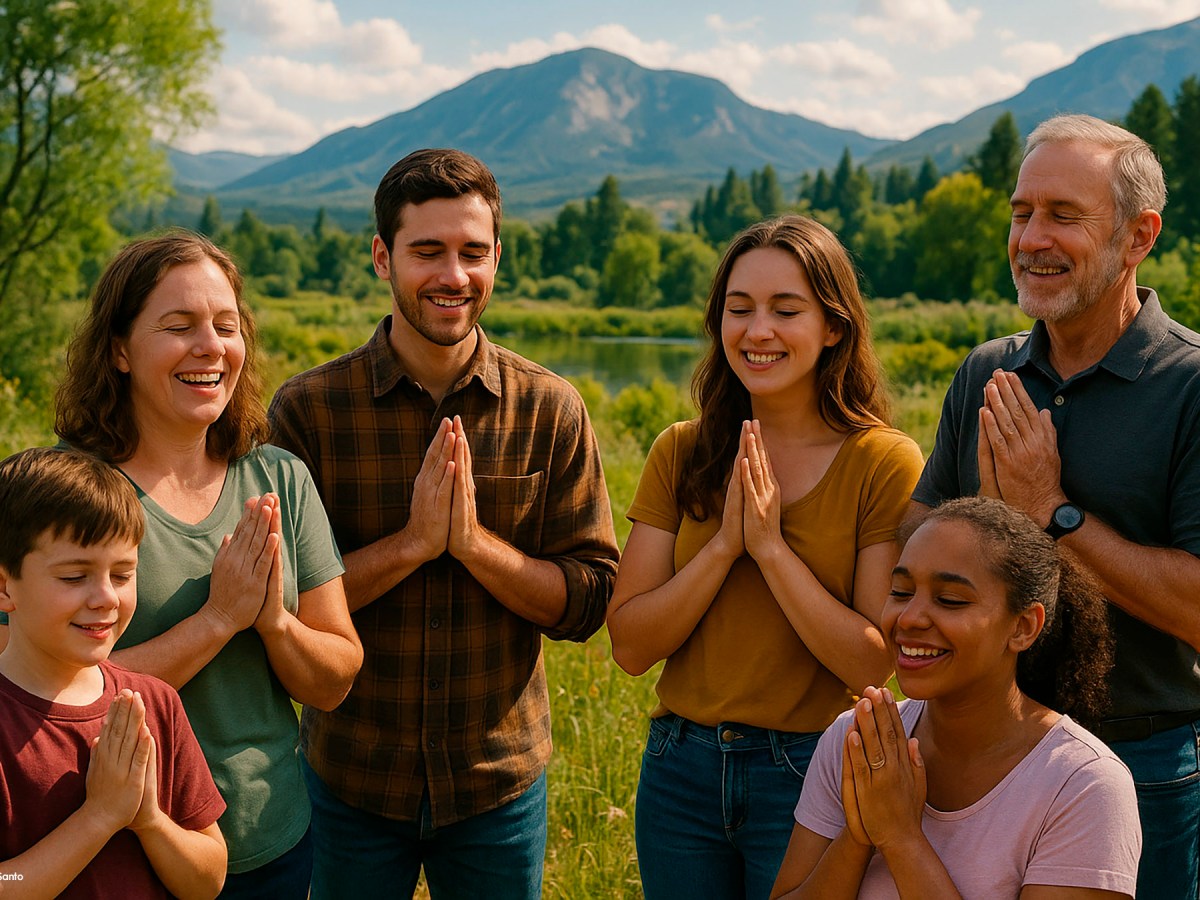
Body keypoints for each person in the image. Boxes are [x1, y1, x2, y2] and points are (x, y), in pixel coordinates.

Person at [267, 147, 619, 900]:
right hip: (349, 782)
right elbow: (278, 606)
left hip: (497, 787)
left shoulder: (550, 409)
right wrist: (410, 548)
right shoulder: (309, 413)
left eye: (473, 252)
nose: (452, 276)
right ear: (381, 257)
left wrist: (474, 548)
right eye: (427, 251)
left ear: (498, 260)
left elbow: (590, 599)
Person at [906, 114, 1200, 899]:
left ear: (1138, 236)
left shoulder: (1193, 388)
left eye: (1063, 216)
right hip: (976, 758)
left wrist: (1052, 512)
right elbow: (917, 546)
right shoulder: (985, 374)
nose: (1031, 237)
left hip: (1141, 767)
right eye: (1020, 212)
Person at [607, 215, 924, 900]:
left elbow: (875, 661)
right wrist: (724, 547)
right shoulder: (680, 451)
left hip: (811, 769)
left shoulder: (883, 461)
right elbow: (630, 646)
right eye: (739, 309)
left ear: (834, 325)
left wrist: (772, 550)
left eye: (787, 310)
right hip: (678, 768)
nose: (758, 332)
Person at [52, 231, 363, 898]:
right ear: (118, 350)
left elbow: (335, 679)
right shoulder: (60, 491)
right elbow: (35, 691)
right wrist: (217, 621)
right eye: (179, 326)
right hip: (117, 854)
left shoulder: (279, 478)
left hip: (273, 846)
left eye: (226, 325)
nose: (210, 347)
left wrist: (273, 623)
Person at [772, 496, 1141, 899]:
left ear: (1023, 626)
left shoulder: (1084, 785)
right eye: (900, 592)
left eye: (950, 600)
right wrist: (858, 836)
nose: (910, 618)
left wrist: (900, 839)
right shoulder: (857, 742)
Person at [0, 446, 227, 899]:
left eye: (122, 575)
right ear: (5, 587)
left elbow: (209, 880)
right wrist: (100, 817)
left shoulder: (154, 703)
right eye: (73, 577)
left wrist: (149, 820)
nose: (105, 597)